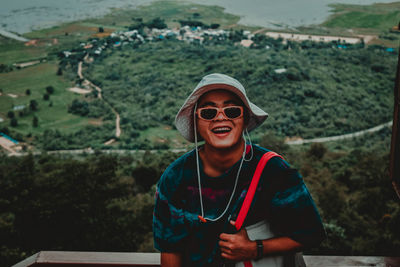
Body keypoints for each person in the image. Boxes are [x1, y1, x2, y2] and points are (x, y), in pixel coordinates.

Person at [153, 73, 326, 267]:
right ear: (196, 122)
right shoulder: (175, 178)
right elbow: (170, 248)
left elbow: (312, 234)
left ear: (244, 119)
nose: (220, 117)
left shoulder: (273, 170)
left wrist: (255, 248)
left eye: (232, 111)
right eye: (209, 113)